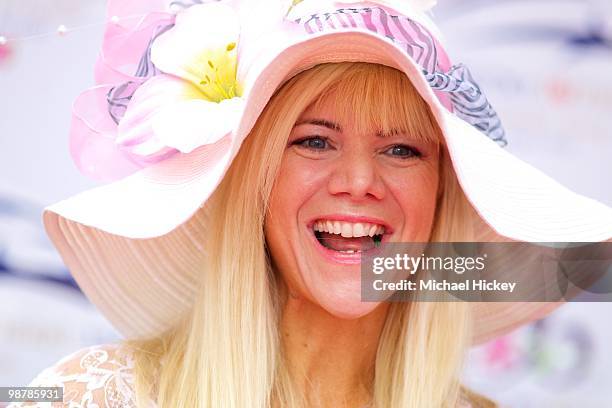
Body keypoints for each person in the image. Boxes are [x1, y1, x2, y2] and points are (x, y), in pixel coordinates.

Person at [10, 0, 612, 407]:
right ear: (257, 184)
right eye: (314, 141)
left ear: (441, 194)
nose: (358, 181)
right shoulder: (94, 395)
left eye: (401, 149)